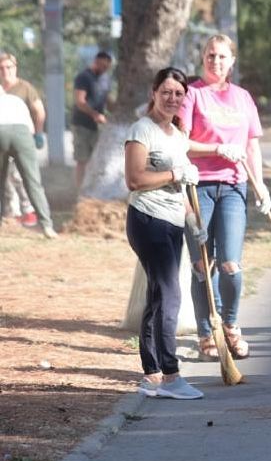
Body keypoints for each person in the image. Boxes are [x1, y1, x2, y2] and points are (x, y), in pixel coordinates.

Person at [179, 34, 265, 361]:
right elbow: (181, 142)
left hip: (232, 187)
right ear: (203, 58)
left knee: (229, 263)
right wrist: (216, 149)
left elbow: (252, 146)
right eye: (211, 55)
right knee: (203, 265)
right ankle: (206, 333)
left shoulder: (243, 98)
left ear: (232, 61)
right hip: (197, 187)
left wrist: (261, 186)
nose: (216, 61)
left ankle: (229, 325)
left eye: (222, 57)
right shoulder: (192, 95)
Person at [123, 67, 204, 399]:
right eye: (166, 92)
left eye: (179, 94)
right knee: (170, 293)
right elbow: (135, 180)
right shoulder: (141, 131)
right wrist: (175, 172)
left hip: (172, 221)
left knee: (158, 295)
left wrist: (193, 220)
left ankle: (152, 373)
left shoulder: (177, 133)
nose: (173, 98)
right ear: (154, 92)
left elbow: (181, 187)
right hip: (147, 220)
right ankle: (172, 376)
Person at [0, 88, 56, 238]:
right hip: (22, 132)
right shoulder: (16, 101)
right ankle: (47, 226)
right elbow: (31, 128)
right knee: (32, 181)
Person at [0, 53, 46, 227]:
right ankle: (10, 213)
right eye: (2, 68)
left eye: (9, 67)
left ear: (15, 67)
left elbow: (38, 110)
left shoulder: (24, 88)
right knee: (5, 178)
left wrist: (38, 133)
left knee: (21, 176)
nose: (5, 71)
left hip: (22, 137)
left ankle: (29, 210)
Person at [72, 50, 113, 188]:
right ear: (96, 62)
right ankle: (79, 190)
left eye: (107, 67)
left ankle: (93, 187)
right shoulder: (83, 77)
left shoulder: (105, 78)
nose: (104, 69)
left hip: (97, 126)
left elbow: (107, 98)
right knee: (82, 159)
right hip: (81, 124)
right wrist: (95, 115)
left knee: (96, 159)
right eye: (102, 66)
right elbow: (80, 101)